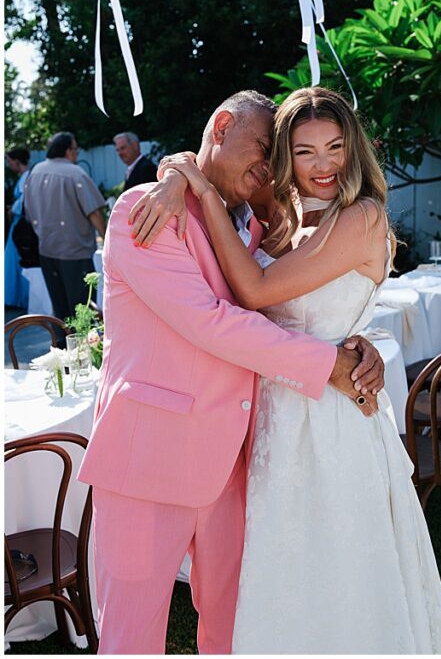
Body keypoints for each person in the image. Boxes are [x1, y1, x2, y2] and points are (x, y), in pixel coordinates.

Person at [131, 86, 441, 653]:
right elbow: (203, 159)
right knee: (284, 575)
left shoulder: (362, 217)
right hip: (275, 425)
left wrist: (201, 190)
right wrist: (178, 175)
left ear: (353, 149)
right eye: (304, 152)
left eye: (334, 147)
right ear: (285, 156)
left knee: (345, 572)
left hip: (332, 421)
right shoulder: (280, 220)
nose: (323, 165)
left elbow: (255, 291)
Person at [78, 90, 386, 655]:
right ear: (221, 125)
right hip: (149, 464)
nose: (270, 168)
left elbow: (305, 297)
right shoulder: (140, 214)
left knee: (233, 632)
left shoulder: (250, 229)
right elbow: (211, 323)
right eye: (264, 149)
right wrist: (328, 365)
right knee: (131, 638)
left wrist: (355, 344)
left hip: (236, 467)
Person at [21, 132, 107, 324]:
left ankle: (62, 346)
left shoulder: (34, 172)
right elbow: (93, 212)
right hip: (75, 253)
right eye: (76, 149)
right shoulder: (75, 173)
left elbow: (28, 212)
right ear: (68, 151)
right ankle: (85, 350)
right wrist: (108, 240)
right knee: (83, 310)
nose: (77, 153)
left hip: (46, 250)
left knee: (60, 308)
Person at [4, 147, 31, 307]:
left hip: (20, 224)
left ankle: (17, 297)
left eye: (9, 160)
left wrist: (12, 210)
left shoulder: (26, 177)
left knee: (15, 259)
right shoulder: (24, 177)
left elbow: (23, 201)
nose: (9, 164)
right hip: (17, 222)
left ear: (17, 161)